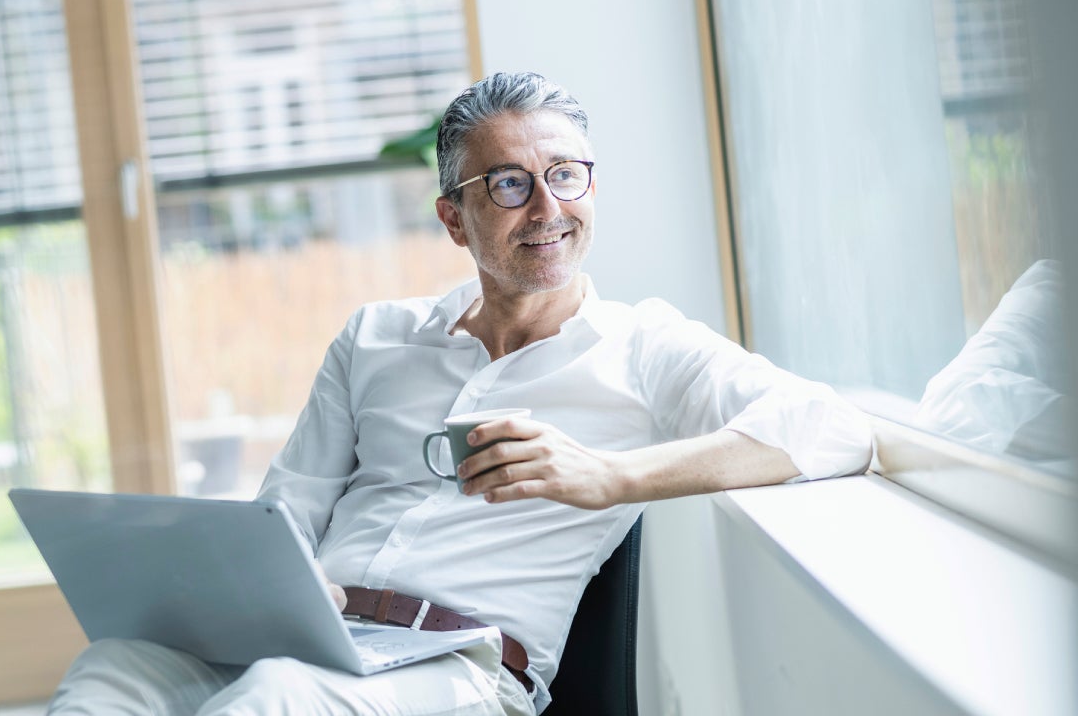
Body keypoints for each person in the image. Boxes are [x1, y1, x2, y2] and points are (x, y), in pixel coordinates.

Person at [46, 72, 872, 716]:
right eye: (509, 185)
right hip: (315, 639)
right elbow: (287, 511)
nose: (546, 207)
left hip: (460, 672)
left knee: (275, 703)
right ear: (454, 218)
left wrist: (613, 478)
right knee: (115, 671)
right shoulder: (375, 336)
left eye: (565, 176)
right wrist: (286, 582)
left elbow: (831, 429)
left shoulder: (645, 348)